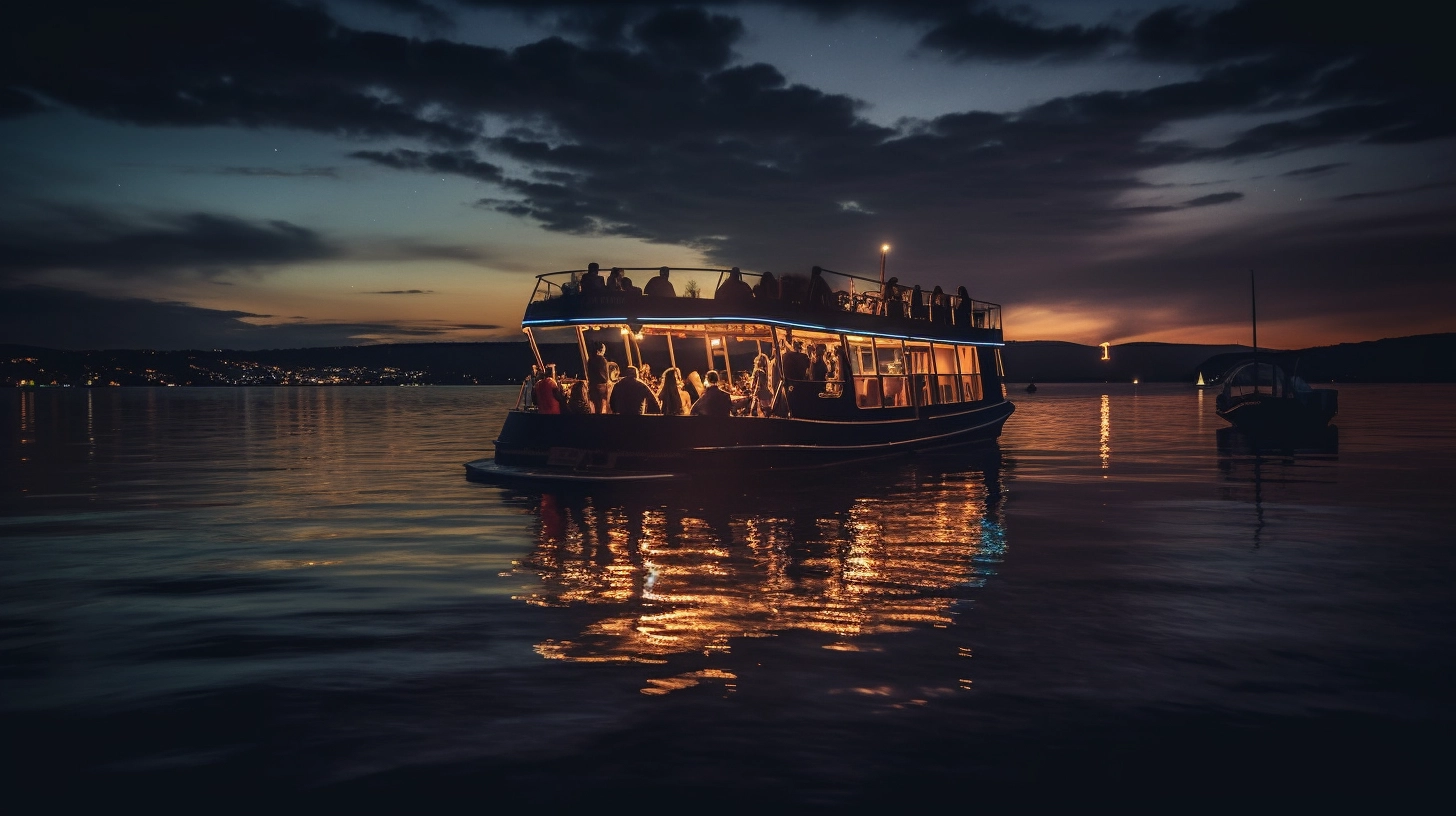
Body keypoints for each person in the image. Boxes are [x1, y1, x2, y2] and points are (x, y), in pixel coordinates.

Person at [587, 342, 610, 414]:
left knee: (595, 406)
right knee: (602, 406)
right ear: (599, 350)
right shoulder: (601, 360)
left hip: (592, 385)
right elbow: (605, 374)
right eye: (603, 350)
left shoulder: (590, 360)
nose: (604, 352)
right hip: (601, 386)